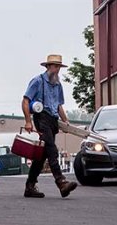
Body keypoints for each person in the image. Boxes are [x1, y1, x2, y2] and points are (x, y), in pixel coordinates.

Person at [21, 54, 78, 198]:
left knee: (41, 156)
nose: (57, 70)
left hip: (53, 120)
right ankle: (61, 182)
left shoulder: (58, 84)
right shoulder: (37, 81)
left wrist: (66, 122)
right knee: (52, 149)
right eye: (54, 66)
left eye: (59, 67)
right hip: (41, 118)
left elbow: (59, 105)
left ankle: (30, 186)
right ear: (47, 67)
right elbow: (25, 101)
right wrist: (28, 121)